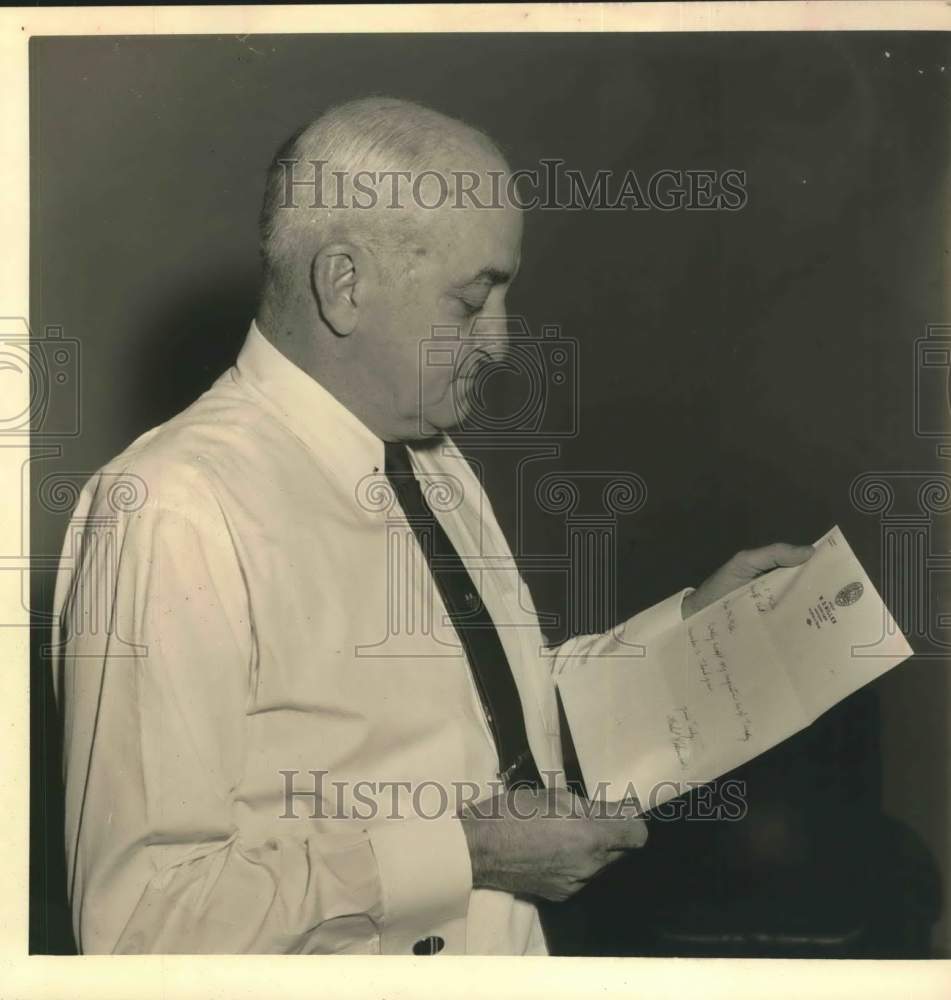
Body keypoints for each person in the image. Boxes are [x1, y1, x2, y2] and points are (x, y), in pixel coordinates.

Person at [52, 97, 813, 955]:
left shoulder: (431, 461)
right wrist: (464, 854)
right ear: (345, 284)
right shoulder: (174, 507)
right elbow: (140, 930)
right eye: (470, 303)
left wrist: (692, 639)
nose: (500, 342)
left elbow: (487, 721)